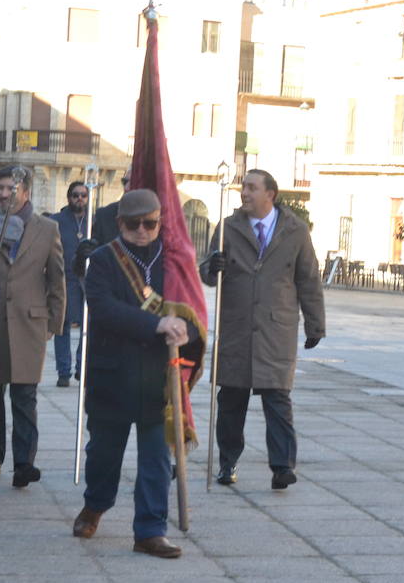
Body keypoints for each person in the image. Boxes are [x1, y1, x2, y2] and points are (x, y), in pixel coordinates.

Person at [73, 189, 197, 558]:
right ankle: (95, 505)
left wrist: (187, 326)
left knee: (157, 457)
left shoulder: (173, 261)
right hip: (112, 374)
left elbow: (189, 305)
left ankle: (150, 529)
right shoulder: (102, 260)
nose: (142, 231)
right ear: (119, 223)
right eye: (133, 224)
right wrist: (156, 325)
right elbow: (104, 309)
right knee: (103, 456)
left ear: (160, 221)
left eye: (150, 223)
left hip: (158, 375)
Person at [200, 170, 325, 489]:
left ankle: (283, 466)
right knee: (230, 401)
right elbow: (207, 273)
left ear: (270, 194)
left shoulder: (295, 231)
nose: (244, 193)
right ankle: (227, 462)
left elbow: (308, 279)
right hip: (237, 326)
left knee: (277, 399)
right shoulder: (228, 228)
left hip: (275, 328)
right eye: (243, 187)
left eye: (252, 188)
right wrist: (212, 267)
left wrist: (315, 324)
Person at [0, 166, 65, 486]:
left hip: (29, 323)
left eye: (10, 188)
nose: (3, 194)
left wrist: (55, 321)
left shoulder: (47, 229)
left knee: (25, 396)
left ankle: (24, 463)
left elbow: (56, 278)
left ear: (26, 192)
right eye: (0, 188)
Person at [49, 180, 89, 387]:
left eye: (83, 195)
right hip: (65, 278)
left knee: (87, 326)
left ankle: (81, 368)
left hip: (88, 281)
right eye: (76, 195)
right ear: (69, 197)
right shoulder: (57, 220)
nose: (79, 199)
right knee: (62, 326)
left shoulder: (93, 221)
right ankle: (63, 371)